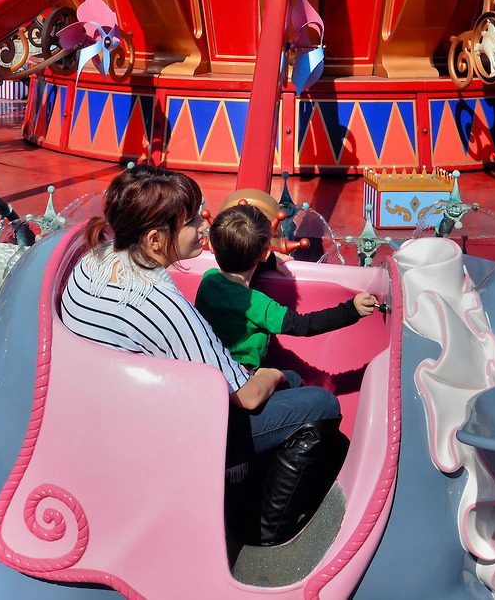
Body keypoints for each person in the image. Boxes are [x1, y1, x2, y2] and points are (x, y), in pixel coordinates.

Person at [59, 166, 342, 546]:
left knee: (290, 383)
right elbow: (247, 396)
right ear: (157, 239)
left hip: (106, 414)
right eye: (192, 221)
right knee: (320, 403)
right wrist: (272, 374)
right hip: (157, 440)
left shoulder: (94, 260)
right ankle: (264, 533)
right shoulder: (160, 303)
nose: (202, 228)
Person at [196, 204, 378, 370]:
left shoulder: (208, 280)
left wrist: (268, 261)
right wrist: (351, 309)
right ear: (265, 253)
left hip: (211, 369)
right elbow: (304, 325)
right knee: (295, 381)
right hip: (243, 379)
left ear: (211, 246)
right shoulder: (258, 305)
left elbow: (235, 271)